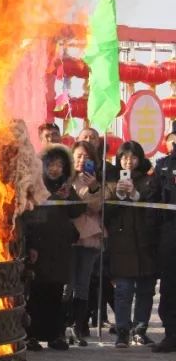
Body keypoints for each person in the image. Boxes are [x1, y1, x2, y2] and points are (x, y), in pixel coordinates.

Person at [21, 145, 81, 350]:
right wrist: (30, 244)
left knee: (56, 293)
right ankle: (31, 335)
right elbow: (27, 216)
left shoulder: (65, 187)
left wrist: (68, 198)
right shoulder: (35, 185)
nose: (55, 169)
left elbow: (77, 211)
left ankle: (55, 334)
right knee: (36, 292)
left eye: (59, 165)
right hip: (39, 246)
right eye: (51, 164)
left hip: (60, 248)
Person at [105, 140, 159, 348]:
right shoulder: (111, 181)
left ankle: (140, 329)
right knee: (123, 290)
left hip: (145, 243)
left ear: (140, 158)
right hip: (121, 245)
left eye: (133, 157)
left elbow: (154, 209)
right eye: (124, 157)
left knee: (146, 290)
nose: (128, 162)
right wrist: (118, 195)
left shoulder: (149, 181)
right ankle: (122, 331)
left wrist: (136, 196)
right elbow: (105, 214)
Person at [67, 141, 104, 346]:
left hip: (89, 234)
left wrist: (93, 188)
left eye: (87, 157)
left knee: (83, 282)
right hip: (69, 235)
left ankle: (79, 325)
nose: (82, 160)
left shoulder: (95, 181)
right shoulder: (65, 178)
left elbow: (96, 207)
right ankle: (65, 322)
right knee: (68, 283)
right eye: (79, 156)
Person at [151, 123, 176, 353]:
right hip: (170, 230)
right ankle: (171, 333)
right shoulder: (163, 166)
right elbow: (153, 196)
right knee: (169, 283)